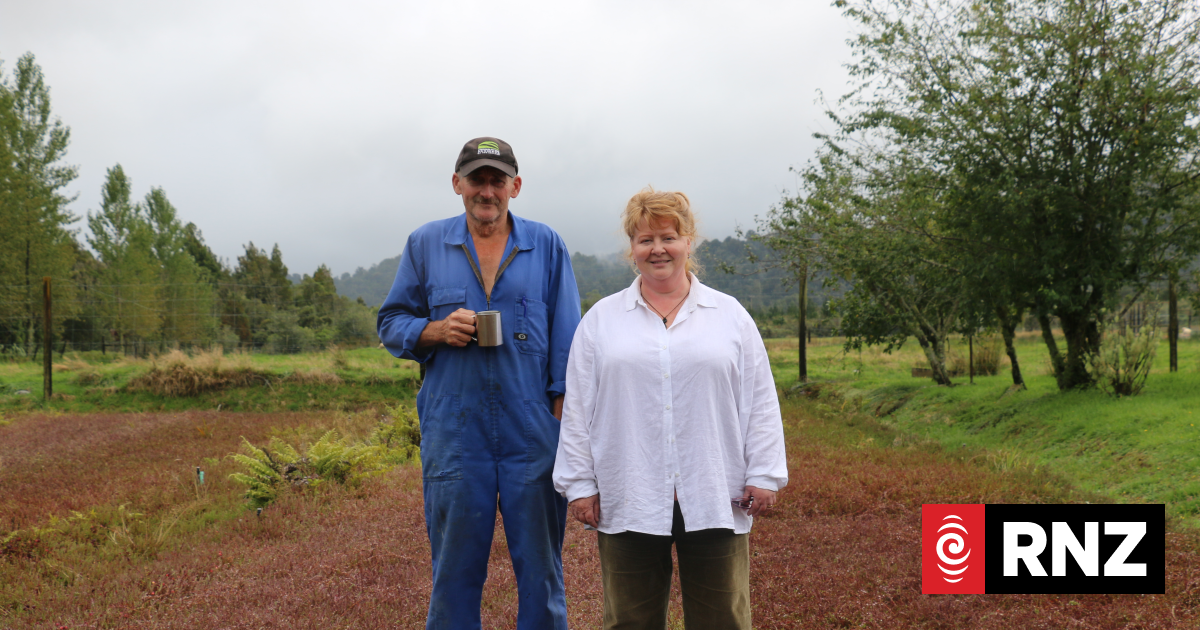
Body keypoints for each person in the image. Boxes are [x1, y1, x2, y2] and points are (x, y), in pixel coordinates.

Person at [552, 187, 788, 630]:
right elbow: (579, 407)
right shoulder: (601, 321)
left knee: (724, 620)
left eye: (668, 237)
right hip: (629, 492)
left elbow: (758, 398)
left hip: (717, 489)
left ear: (688, 241)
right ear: (632, 249)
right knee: (629, 621)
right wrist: (580, 483)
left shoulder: (729, 315)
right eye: (645, 240)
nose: (657, 249)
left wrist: (764, 473)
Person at [378, 137, 581, 630]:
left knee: (541, 573)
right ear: (457, 184)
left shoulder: (546, 244)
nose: (486, 190)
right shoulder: (425, 244)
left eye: (496, 180)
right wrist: (434, 330)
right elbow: (391, 321)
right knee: (453, 573)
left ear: (515, 186)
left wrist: (558, 416)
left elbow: (569, 340)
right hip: (454, 431)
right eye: (476, 179)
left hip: (531, 433)